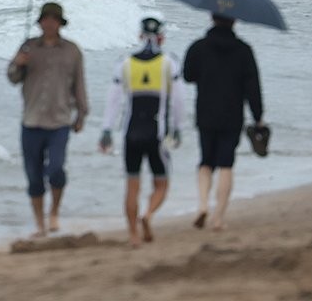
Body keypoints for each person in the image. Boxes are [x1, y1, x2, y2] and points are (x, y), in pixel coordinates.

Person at [99, 18, 186, 247]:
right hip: (156, 134)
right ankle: (147, 215)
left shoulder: (125, 63)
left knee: (132, 185)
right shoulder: (170, 62)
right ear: (162, 38)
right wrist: (178, 128)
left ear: (139, 36)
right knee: (162, 183)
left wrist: (106, 130)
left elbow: (113, 100)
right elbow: (178, 100)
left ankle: (133, 235)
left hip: (131, 134)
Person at [7, 2, 89, 238]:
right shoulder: (29, 47)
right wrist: (18, 64)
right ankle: (39, 223)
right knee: (33, 177)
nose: (49, 23)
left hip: (59, 122)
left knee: (55, 170)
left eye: (54, 19)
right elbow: (13, 78)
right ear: (40, 21)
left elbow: (79, 85)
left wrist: (81, 114)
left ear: (60, 23)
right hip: (31, 121)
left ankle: (54, 212)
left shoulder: (72, 51)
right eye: (46, 18)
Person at [182, 14, 262, 231]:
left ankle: (202, 206)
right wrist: (258, 115)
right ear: (235, 21)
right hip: (232, 114)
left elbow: (187, 75)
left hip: (205, 112)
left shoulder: (198, 47)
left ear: (211, 18)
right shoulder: (244, 50)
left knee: (205, 161)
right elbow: (253, 87)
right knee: (226, 164)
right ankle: (218, 218)